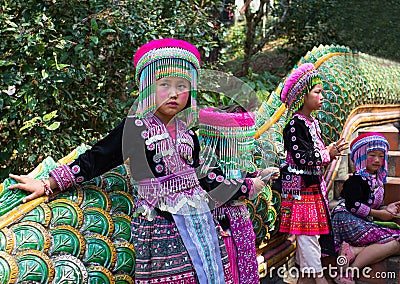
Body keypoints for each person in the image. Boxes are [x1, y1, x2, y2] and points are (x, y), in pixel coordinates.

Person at [8, 38, 233, 283]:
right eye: (164, 84)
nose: (173, 93)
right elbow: (98, 158)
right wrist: (47, 184)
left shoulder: (188, 132)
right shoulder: (135, 127)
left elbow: (202, 175)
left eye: (182, 85)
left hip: (201, 219)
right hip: (162, 224)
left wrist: (232, 197)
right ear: (147, 88)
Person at [279, 63, 348, 284]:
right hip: (299, 190)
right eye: (317, 92)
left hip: (310, 187)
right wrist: (327, 152)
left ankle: (306, 280)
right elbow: (303, 158)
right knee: (307, 235)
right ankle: (320, 279)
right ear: (302, 96)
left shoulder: (312, 123)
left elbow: (314, 157)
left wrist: (329, 152)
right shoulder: (293, 126)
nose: (321, 97)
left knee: (310, 235)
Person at [197, 105, 280, 284]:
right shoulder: (206, 162)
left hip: (240, 224)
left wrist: (261, 174)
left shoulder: (230, 160)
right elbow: (220, 187)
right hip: (221, 228)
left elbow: (243, 177)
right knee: (229, 271)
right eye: (238, 139)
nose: (243, 145)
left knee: (244, 268)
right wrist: (250, 185)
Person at [331, 132, 400, 284]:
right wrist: (380, 214)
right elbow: (354, 205)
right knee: (396, 241)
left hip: (359, 220)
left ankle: (353, 251)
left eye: (381, 156)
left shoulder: (376, 179)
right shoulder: (356, 180)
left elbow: (369, 204)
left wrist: (386, 208)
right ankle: (348, 271)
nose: (377, 160)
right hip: (346, 220)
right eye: (372, 155)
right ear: (361, 155)